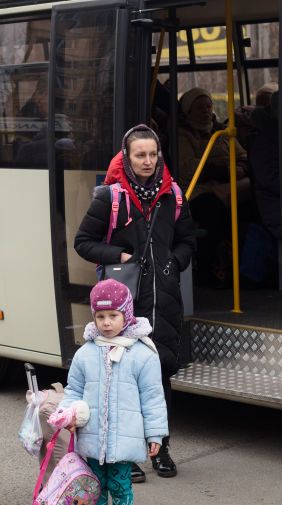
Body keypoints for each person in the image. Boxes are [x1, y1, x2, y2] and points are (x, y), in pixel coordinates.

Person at [74, 124, 195, 482]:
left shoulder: (173, 194)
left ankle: (162, 449)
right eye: (140, 154)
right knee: (122, 382)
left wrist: (175, 263)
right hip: (124, 305)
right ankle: (130, 458)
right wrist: (119, 255)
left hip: (164, 301)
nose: (147, 161)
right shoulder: (110, 197)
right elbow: (83, 242)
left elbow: (188, 240)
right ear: (126, 157)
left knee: (158, 379)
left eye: (152, 154)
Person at [50, 279, 168, 505]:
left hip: (123, 441)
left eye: (113, 316)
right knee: (95, 488)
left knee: (121, 486)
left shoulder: (142, 354)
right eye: (100, 316)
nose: (106, 323)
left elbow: (153, 397)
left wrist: (155, 434)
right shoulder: (85, 354)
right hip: (91, 438)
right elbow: (73, 390)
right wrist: (66, 413)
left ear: (126, 314)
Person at [175, 87, 252, 286]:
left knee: (248, 211)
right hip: (197, 192)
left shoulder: (223, 133)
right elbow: (186, 168)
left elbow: (244, 158)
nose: (206, 111)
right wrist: (217, 169)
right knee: (213, 213)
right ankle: (213, 267)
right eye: (200, 108)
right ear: (188, 111)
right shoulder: (183, 135)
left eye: (208, 106)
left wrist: (239, 169)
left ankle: (245, 265)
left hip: (227, 188)